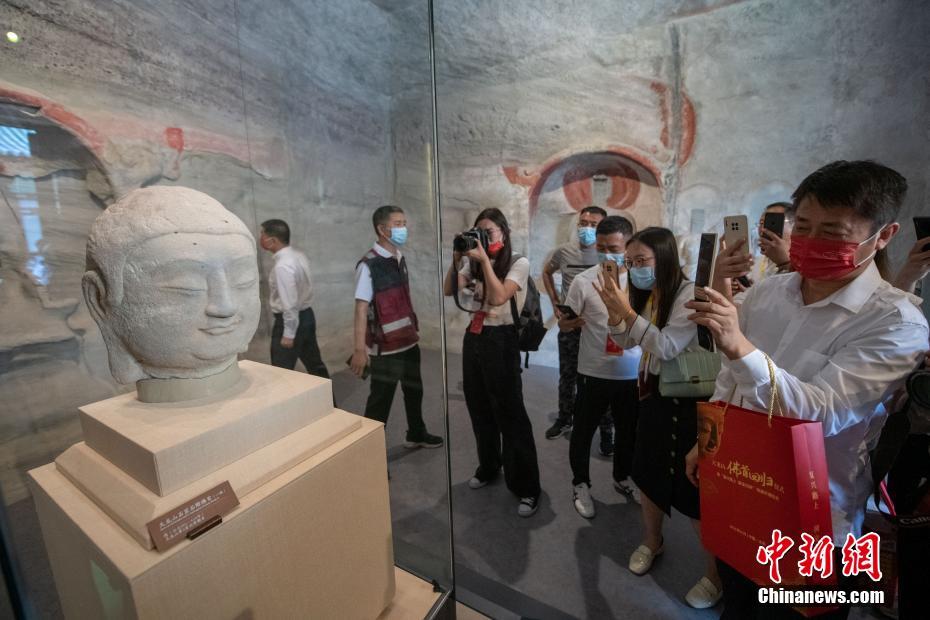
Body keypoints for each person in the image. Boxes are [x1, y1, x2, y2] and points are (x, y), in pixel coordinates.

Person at [684, 160, 929, 619]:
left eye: (833, 233)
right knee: (737, 604)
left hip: (816, 519)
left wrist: (739, 345)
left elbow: (822, 414)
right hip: (742, 488)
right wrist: (711, 437)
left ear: (884, 235)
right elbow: (731, 376)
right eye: (805, 227)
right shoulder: (768, 294)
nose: (812, 242)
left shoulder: (895, 323)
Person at [593, 226, 722, 609]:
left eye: (642, 261)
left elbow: (665, 346)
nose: (635, 269)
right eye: (630, 262)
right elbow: (631, 339)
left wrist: (627, 310)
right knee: (648, 471)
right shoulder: (650, 292)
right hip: (654, 395)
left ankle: (716, 576)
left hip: (692, 399)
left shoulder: (687, 293)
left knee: (696, 488)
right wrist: (618, 309)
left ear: (664, 258)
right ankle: (653, 540)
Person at [443, 207, 542, 517]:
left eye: (490, 232)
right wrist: (458, 258)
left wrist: (484, 260)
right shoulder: (472, 263)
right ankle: (489, 466)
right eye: (479, 232)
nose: (484, 238)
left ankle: (526, 486)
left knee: (510, 412)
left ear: (504, 232)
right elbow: (449, 290)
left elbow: (499, 297)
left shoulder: (518, 262)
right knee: (479, 407)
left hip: (502, 340)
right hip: (474, 338)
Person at [558, 216, 642, 518]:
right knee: (583, 431)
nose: (608, 254)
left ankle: (623, 477)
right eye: (602, 247)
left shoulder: (640, 280)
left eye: (615, 247)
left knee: (628, 431)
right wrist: (566, 323)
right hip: (593, 370)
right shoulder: (584, 281)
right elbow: (566, 326)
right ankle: (580, 483)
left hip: (631, 372)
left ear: (628, 246)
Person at [350, 206, 443, 449]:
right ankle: (370, 454)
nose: (403, 228)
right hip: (386, 349)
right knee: (380, 402)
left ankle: (416, 432)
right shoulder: (368, 265)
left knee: (414, 392)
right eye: (398, 224)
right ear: (382, 229)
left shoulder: (399, 258)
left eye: (404, 223)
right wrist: (360, 350)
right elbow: (361, 309)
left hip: (408, 341)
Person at [543, 205, 615, 454]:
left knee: (602, 379)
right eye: (583, 222)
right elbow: (546, 271)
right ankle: (565, 418)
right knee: (568, 374)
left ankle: (607, 431)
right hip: (571, 323)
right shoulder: (564, 252)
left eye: (594, 224)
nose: (587, 228)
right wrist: (554, 301)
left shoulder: (607, 256)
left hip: (599, 328)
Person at [259, 219, 330, 379]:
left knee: (280, 373)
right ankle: (330, 402)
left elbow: (289, 304)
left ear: (273, 240)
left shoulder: (282, 266)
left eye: (262, 234)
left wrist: (288, 334)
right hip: (306, 316)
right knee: (316, 365)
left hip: (290, 322)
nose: (261, 238)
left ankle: (285, 403)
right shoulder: (298, 256)